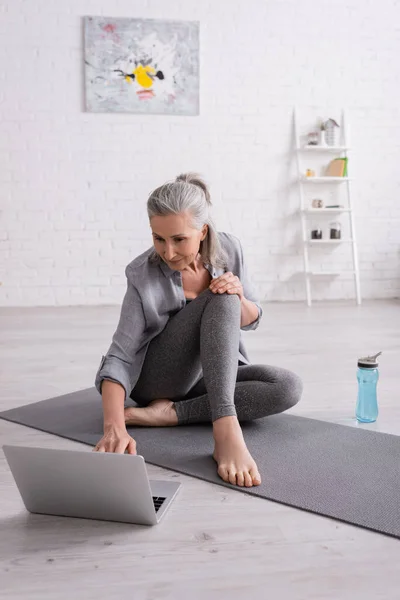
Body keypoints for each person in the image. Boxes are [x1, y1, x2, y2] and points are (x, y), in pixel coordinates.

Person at [93, 173, 303, 488]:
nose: (168, 252)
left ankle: (172, 414)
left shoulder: (230, 248)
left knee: (286, 386)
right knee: (222, 299)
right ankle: (226, 428)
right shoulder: (142, 274)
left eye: (179, 239)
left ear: (202, 231)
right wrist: (114, 425)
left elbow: (253, 317)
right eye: (158, 238)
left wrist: (239, 295)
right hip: (159, 379)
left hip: (209, 376)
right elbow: (120, 357)